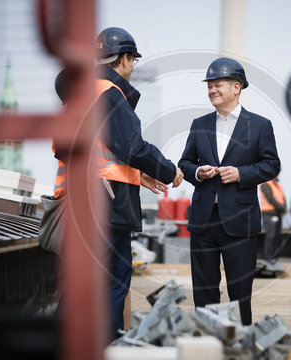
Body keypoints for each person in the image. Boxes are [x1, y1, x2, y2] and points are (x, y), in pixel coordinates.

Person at [93, 27, 183, 339]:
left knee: (83, 283)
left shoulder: (83, 92)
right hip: (105, 204)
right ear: (126, 59)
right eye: (133, 60)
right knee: (114, 280)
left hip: (81, 201)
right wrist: (168, 171)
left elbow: (101, 150)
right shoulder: (110, 94)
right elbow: (132, 147)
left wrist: (137, 174)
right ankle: (107, 346)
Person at [178, 57, 280, 325]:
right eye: (209, 85)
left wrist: (241, 173)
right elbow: (185, 163)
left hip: (240, 220)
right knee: (204, 293)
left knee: (239, 294)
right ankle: (207, 348)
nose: (212, 90)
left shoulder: (260, 125)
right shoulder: (199, 124)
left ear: (237, 87)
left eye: (217, 84)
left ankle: (241, 347)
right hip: (203, 221)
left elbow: (271, 165)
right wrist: (197, 172)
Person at [259, 176, 286, 269]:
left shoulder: (277, 185)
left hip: (278, 213)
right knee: (270, 236)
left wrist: (283, 208)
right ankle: (268, 258)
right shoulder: (266, 184)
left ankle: (273, 257)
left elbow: (282, 197)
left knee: (276, 236)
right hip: (269, 214)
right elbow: (270, 198)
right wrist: (282, 208)